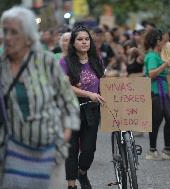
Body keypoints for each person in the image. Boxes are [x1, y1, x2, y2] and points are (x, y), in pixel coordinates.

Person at [0, 7, 80, 188]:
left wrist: (63, 138)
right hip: (9, 156)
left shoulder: (47, 62)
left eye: (14, 32)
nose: (8, 37)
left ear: (29, 36)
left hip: (49, 152)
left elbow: (69, 102)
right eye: (5, 31)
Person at [60, 25, 104, 189]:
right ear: (73, 43)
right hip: (71, 109)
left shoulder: (96, 60)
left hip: (92, 110)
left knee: (88, 150)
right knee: (71, 149)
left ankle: (82, 172)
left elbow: (103, 82)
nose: (84, 42)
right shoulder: (65, 62)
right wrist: (87, 94)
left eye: (86, 39)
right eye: (80, 39)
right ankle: (71, 185)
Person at [143, 29, 170, 160]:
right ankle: (152, 150)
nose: (166, 42)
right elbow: (151, 74)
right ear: (158, 41)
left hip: (162, 91)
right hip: (155, 91)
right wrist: (165, 66)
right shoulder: (152, 56)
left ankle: (166, 149)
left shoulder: (159, 55)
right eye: (164, 39)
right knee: (156, 120)